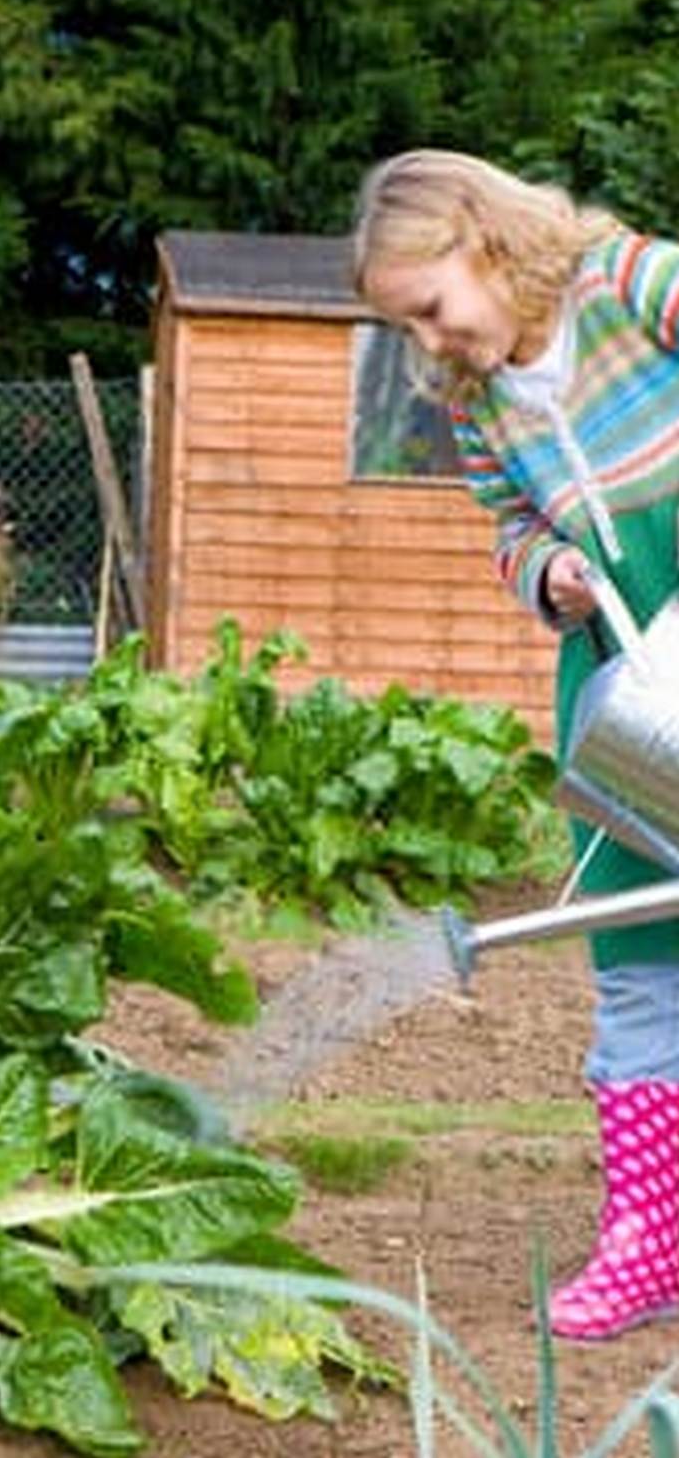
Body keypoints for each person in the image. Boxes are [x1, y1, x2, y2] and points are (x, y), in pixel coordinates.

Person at [351, 148, 679, 1342]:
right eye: (407, 325)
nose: (429, 341)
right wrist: (549, 572)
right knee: (640, 947)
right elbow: (509, 527)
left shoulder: (630, 283)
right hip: (625, 683)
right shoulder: (473, 403)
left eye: (431, 308)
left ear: (482, 239)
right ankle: (650, 1241)